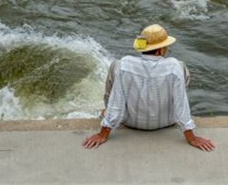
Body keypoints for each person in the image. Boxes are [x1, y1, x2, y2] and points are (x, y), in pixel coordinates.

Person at [83, 24, 215, 152]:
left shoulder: (125, 64)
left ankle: (107, 111)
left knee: (114, 65)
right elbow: (181, 104)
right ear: (160, 50)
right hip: (166, 121)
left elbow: (117, 101)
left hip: (129, 121)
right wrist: (192, 138)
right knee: (182, 67)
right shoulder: (174, 66)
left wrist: (103, 134)